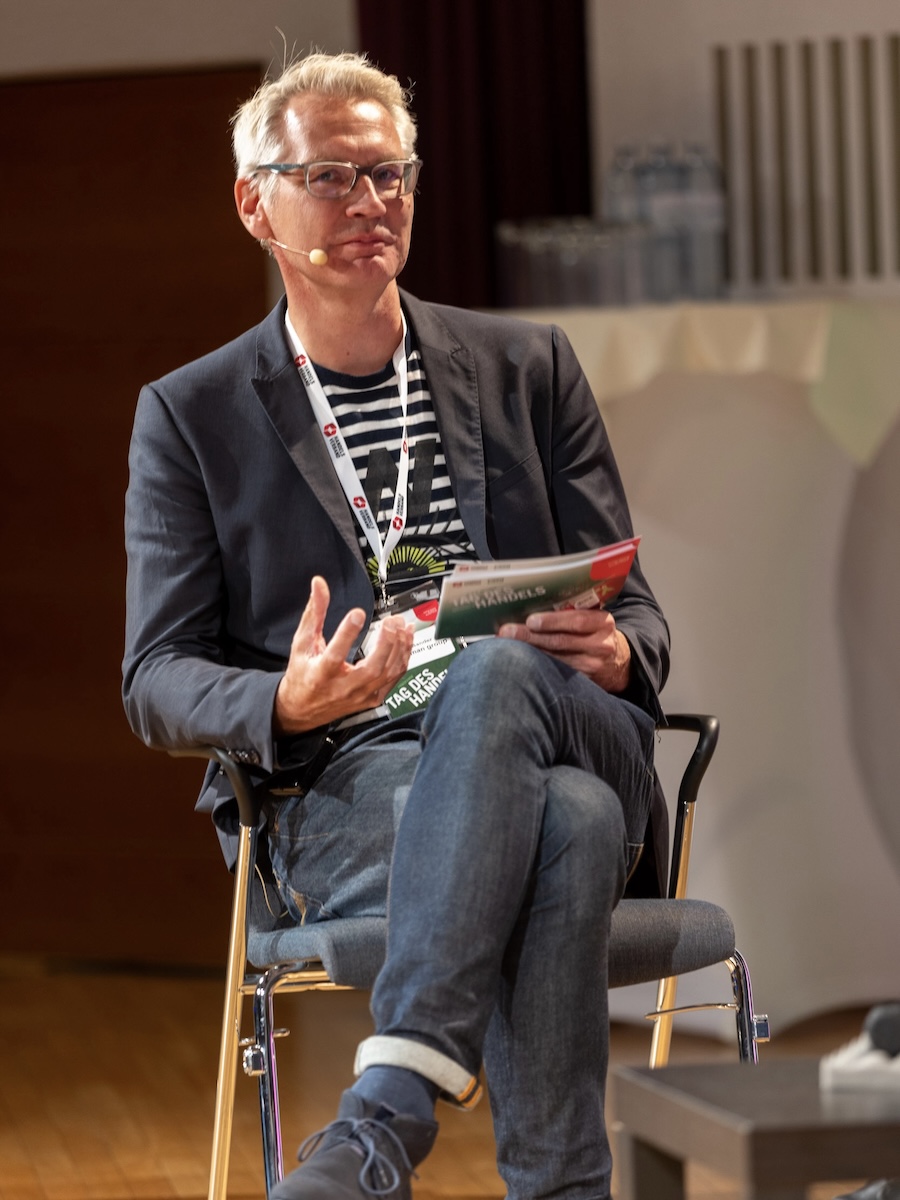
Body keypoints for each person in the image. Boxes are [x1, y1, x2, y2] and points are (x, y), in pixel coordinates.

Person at [122, 51, 670, 1200]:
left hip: (569, 726)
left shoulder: (530, 366)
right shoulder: (191, 415)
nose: (372, 204)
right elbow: (156, 675)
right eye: (331, 177)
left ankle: (382, 1117)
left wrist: (620, 650)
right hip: (349, 786)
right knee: (559, 825)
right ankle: (562, 1188)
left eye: (392, 175)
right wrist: (281, 698)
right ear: (253, 202)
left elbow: (641, 612)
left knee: (499, 687)